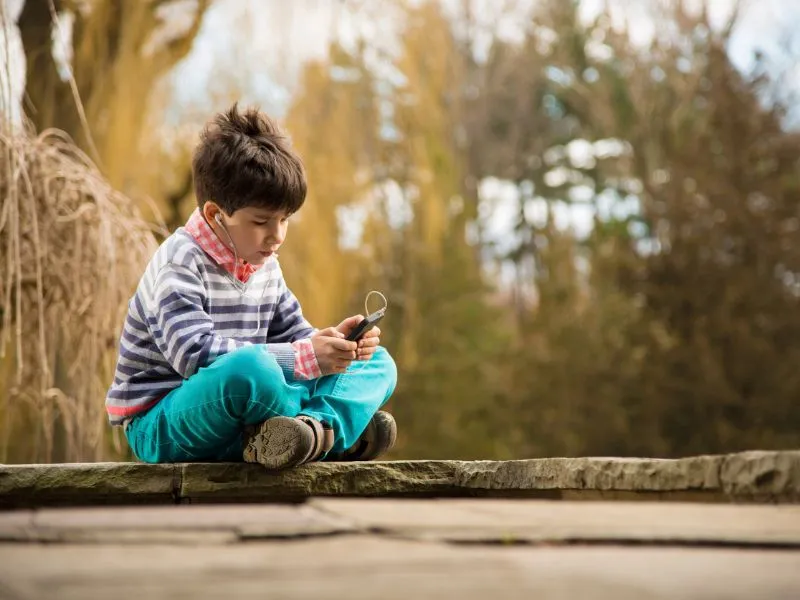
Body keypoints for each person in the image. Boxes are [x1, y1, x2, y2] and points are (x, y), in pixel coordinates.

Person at [105, 103, 398, 469]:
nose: (276, 236)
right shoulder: (179, 263)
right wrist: (306, 357)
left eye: (284, 220)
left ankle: (311, 431)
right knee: (252, 371)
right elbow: (194, 356)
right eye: (261, 221)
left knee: (378, 364)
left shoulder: (264, 263)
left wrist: (335, 344)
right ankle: (336, 432)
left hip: (248, 405)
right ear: (216, 214)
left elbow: (293, 334)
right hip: (165, 420)